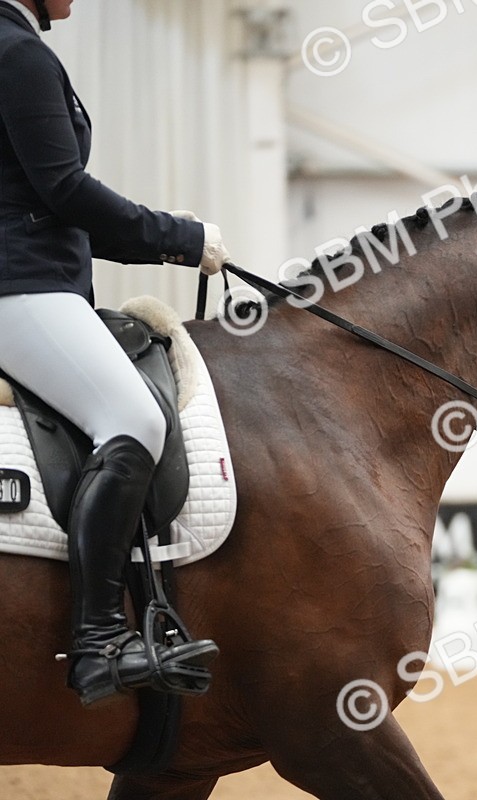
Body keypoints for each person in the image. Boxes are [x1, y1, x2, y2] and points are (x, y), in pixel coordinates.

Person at [0, 0, 223, 706]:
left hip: (29, 277)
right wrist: (180, 237)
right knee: (135, 418)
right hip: (20, 284)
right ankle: (99, 640)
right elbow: (64, 190)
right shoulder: (18, 54)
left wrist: (170, 242)